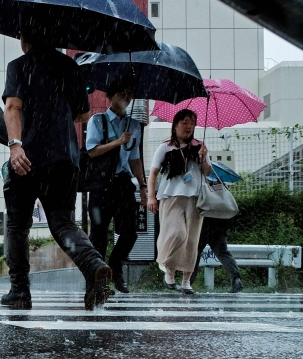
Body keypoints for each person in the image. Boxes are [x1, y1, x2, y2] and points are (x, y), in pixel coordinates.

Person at [1, 23, 113, 311]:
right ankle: (94, 265)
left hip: (27, 157)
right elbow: (84, 114)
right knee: (63, 224)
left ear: (25, 37)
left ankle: (20, 291)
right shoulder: (69, 67)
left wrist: (16, 144)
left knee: (17, 225)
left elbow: (13, 107)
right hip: (64, 158)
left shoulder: (19, 66)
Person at [84, 77, 148, 294]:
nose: (127, 97)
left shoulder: (135, 125)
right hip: (101, 184)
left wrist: (143, 185)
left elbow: (135, 159)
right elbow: (92, 151)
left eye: (129, 93)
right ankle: (96, 281)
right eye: (122, 93)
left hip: (123, 182)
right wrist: (117, 142)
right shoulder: (97, 120)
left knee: (131, 231)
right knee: (99, 234)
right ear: (110, 97)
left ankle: (114, 266)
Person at [147, 109, 211, 295]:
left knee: (192, 240)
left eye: (191, 122)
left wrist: (203, 158)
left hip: (195, 199)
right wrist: (152, 196)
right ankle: (168, 269)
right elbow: (153, 173)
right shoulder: (165, 147)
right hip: (171, 197)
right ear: (175, 126)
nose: (188, 125)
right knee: (176, 234)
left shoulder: (200, 146)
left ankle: (186, 281)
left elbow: (207, 172)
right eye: (184, 121)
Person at [191, 217, 243, 293]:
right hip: (220, 226)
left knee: (195, 254)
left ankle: (188, 283)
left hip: (202, 226)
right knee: (223, 254)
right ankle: (236, 279)